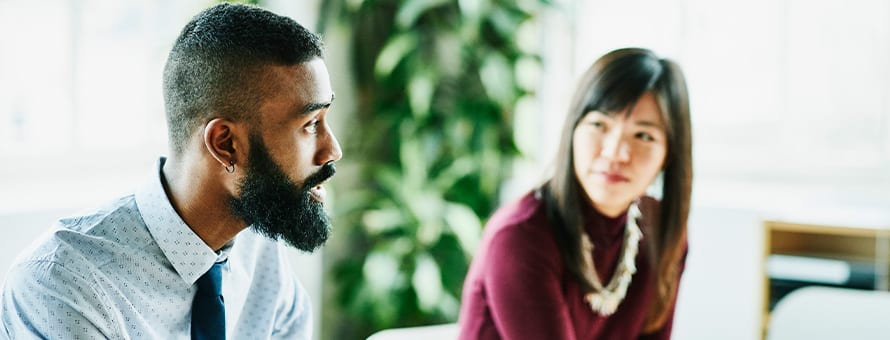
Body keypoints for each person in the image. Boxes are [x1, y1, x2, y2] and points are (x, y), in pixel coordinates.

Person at [0, 3, 342, 339]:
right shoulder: (62, 284)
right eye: (311, 124)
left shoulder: (261, 245)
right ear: (225, 144)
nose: (333, 150)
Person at [458, 48, 692, 339]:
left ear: (669, 154)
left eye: (643, 135)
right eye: (599, 125)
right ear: (572, 130)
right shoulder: (521, 235)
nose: (615, 152)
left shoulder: (661, 230)